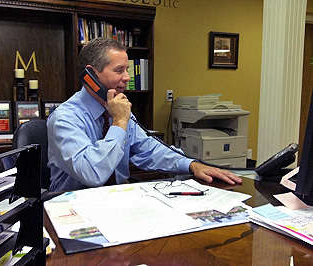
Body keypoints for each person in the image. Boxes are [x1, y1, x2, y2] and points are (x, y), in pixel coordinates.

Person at [47, 37, 242, 192]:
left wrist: (191, 165)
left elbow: (149, 150)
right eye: (119, 70)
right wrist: (119, 123)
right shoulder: (65, 118)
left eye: (127, 70)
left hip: (117, 200)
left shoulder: (117, 110)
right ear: (91, 75)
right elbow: (92, 173)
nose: (127, 78)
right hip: (74, 206)